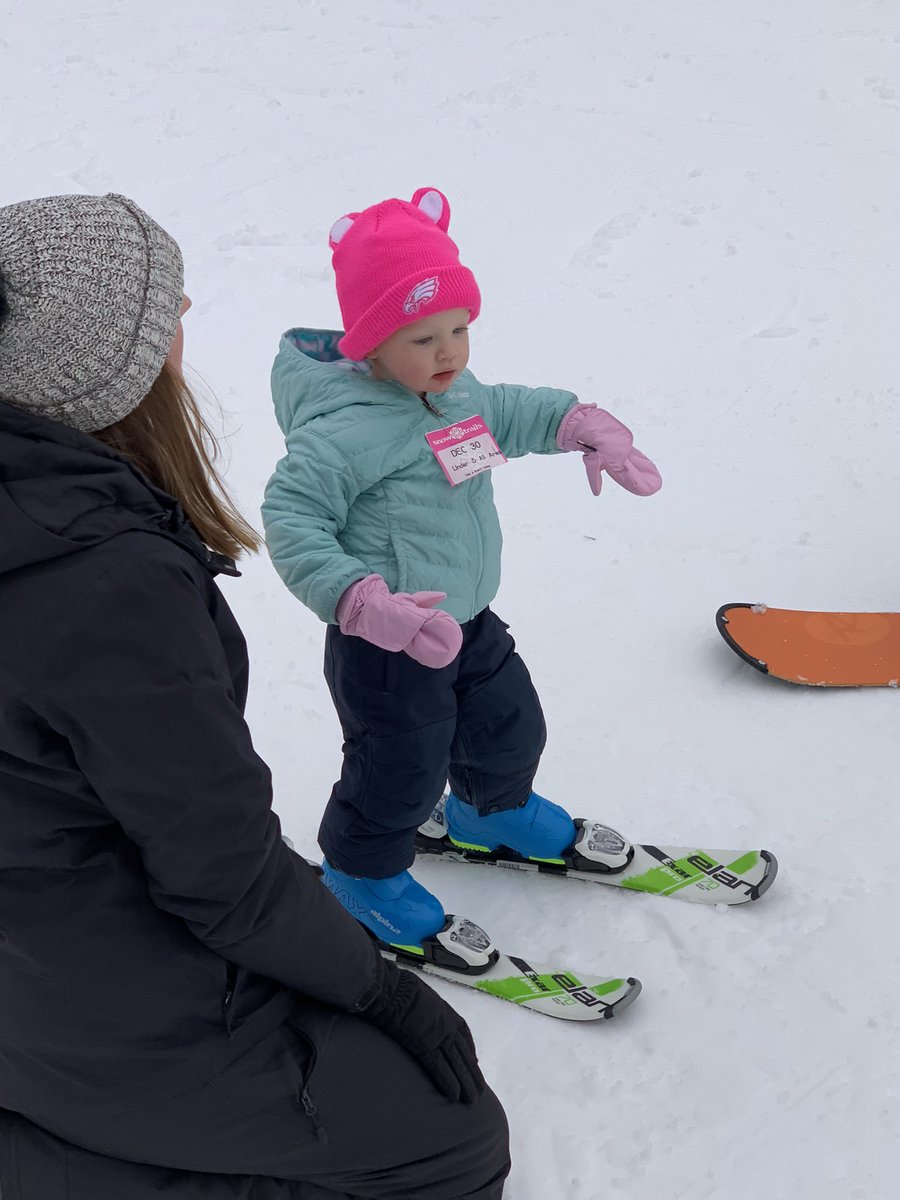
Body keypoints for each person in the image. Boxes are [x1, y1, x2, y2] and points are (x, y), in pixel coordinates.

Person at [0, 192, 509, 1200]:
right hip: (71, 978)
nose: (187, 314)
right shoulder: (100, 583)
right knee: (451, 1144)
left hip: (33, 935)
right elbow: (220, 874)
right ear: (107, 367)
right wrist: (379, 990)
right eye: (166, 308)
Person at [262, 186, 662, 960]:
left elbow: (509, 410)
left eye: (459, 329)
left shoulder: (454, 393)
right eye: (423, 337)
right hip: (387, 643)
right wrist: (358, 599)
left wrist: (580, 423)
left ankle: (489, 812)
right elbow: (291, 520)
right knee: (398, 769)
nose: (449, 353)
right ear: (369, 344)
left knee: (510, 723)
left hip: (469, 617)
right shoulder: (344, 431)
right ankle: (361, 876)